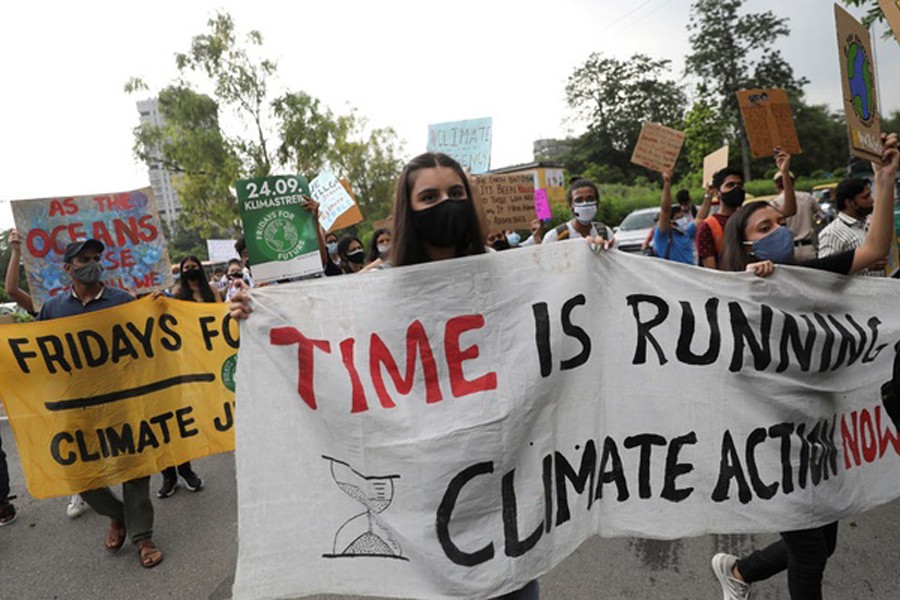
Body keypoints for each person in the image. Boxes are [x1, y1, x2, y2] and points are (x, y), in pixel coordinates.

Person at [230, 152, 537, 599]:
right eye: (429, 197)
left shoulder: (504, 270)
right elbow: (321, 328)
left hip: (499, 489)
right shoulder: (379, 284)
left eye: (455, 193)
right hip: (422, 490)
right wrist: (256, 313)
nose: (445, 204)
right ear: (408, 210)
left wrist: (596, 263)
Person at [711, 133, 897, 600]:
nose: (776, 230)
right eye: (762, 228)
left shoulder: (811, 277)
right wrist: (750, 293)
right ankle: (739, 573)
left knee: (824, 542)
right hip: (771, 442)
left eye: (778, 222)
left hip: (820, 433)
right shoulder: (728, 295)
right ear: (746, 247)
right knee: (810, 551)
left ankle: (739, 572)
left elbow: (874, 250)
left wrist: (885, 176)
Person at [37, 238, 163, 568]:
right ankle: (118, 515)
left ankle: (142, 537)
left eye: (96, 258)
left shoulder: (121, 301)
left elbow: (145, 339)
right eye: (84, 260)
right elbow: (37, 353)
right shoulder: (52, 309)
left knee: (134, 469)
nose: (92, 263)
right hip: (76, 406)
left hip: (121, 400)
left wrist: (156, 310)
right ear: (68, 268)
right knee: (81, 475)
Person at [156, 256, 214, 498]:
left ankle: (185, 470)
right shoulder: (173, 295)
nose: (191, 271)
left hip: (202, 356)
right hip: (165, 366)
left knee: (180, 421)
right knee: (160, 424)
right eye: (186, 268)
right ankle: (168, 476)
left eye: (194, 267)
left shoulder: (210, 291)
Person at [697, 150, 796, 269]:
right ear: (718, 193)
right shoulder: (708, 226)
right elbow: (711, 272)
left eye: (739, 185)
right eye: (730, 185)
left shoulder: (751, 215)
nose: (736, 189)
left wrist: (784, 172)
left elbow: (789, 210)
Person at [816, 177, 886, 276]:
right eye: (865, 197)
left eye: (870, 195)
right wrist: (865, 266)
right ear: (849, 203)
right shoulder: (832, 233)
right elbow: (826, 274)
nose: (872, 200)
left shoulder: (869, 224)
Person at [651, 171, 711, 264]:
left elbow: (700, 217)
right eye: (678, 218)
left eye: (682, 217)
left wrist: (708, 195)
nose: (683, 220)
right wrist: (667, 182)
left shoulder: (685, 232)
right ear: (670, 222)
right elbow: (665, 210)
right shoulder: (662, 235)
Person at [541, 178, 613, 244]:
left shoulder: (605, 233)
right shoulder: (555, 237)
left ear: (597, 203)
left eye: (590, 199)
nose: (585, 204)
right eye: (579, 200)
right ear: (570, 206)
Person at [772, 171, 821, 262]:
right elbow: (819, 215)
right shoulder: (807, 197)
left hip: (788, 250)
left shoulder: (774, 203)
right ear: (793, 183)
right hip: (808, 248)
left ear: (776, 185)